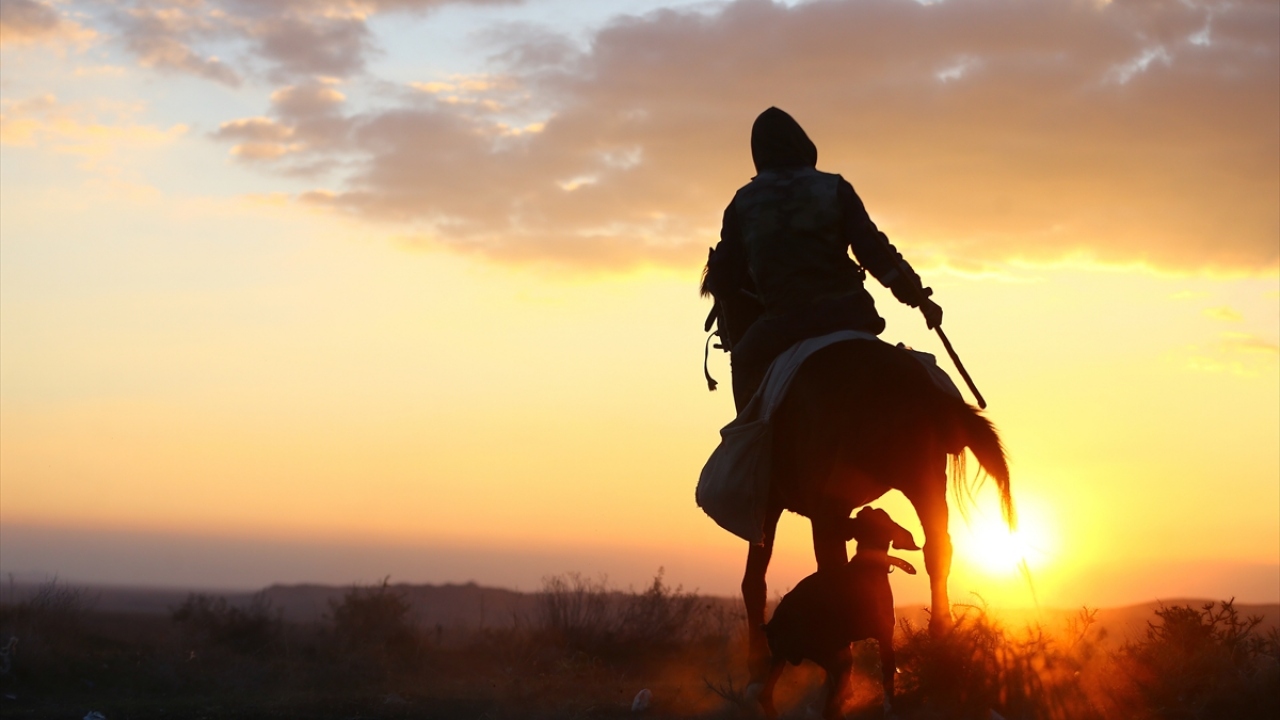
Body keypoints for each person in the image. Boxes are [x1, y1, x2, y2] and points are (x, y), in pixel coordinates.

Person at [707, 107, 943, 411]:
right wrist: (918, 298)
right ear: (803, 145)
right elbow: (877, 254)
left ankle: (750, 433)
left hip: (784, 324)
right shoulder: (835, 188)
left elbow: (724, 282)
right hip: (850, 313)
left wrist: (721, 271)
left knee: (743, 359)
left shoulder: (743, 203)